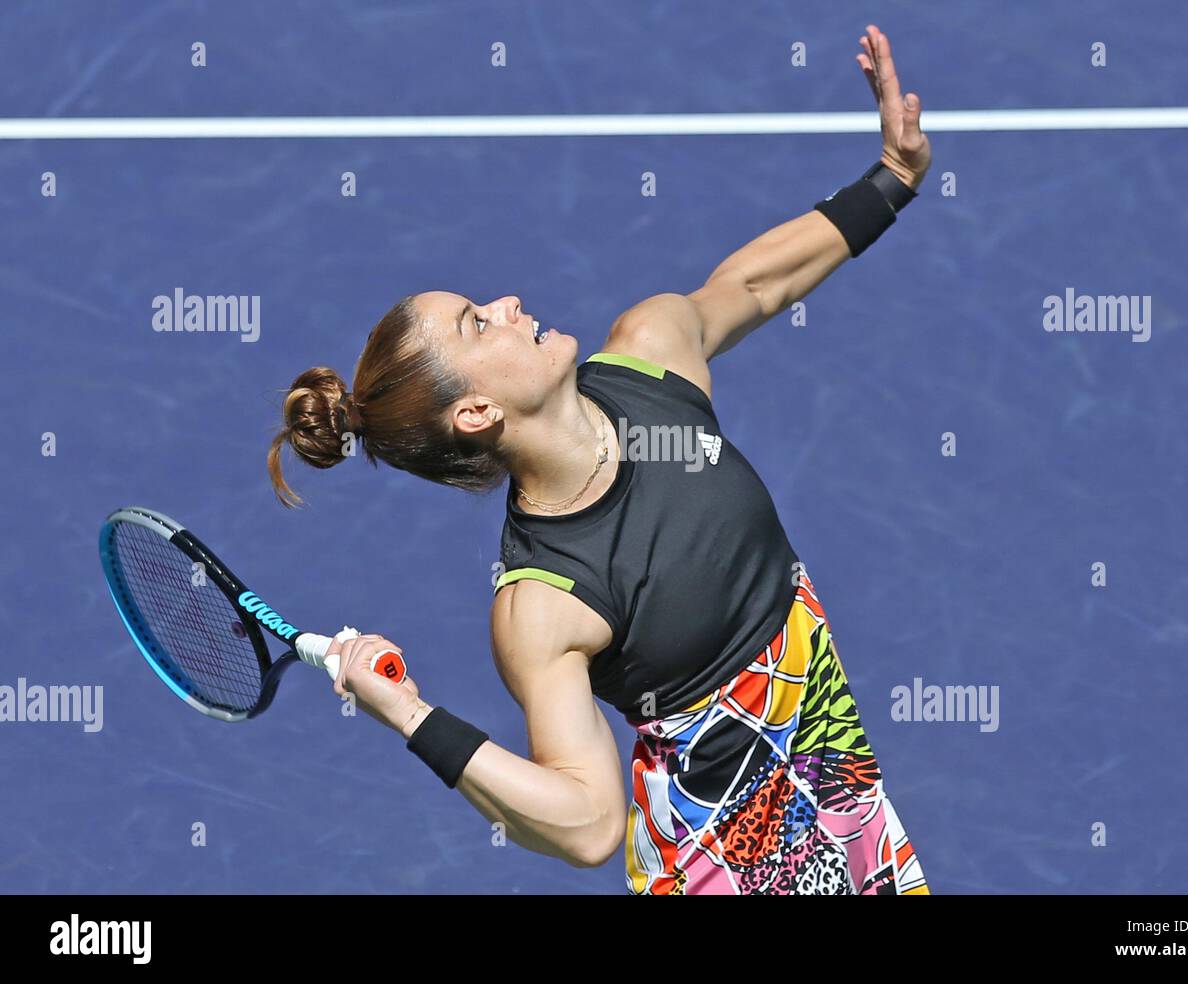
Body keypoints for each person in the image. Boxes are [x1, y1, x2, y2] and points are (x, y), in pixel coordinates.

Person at [268, 25, 932, 894]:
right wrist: (410, 714)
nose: (507, 302)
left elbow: (757, 286)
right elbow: (584, 827)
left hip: (836, 787)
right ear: (476, 412)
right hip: (716, 859)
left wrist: (895, 177)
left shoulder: (650, 355)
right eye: (478, 321)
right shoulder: (542, 603)